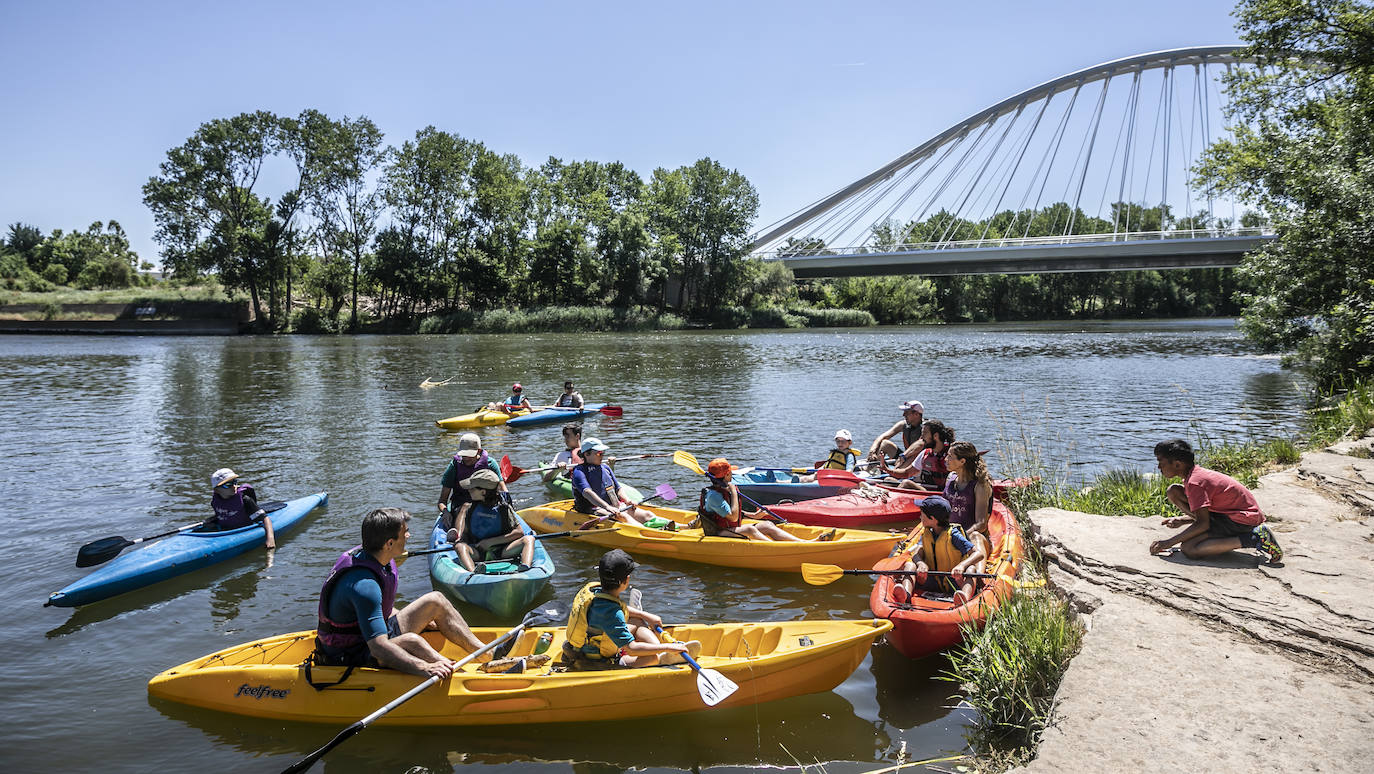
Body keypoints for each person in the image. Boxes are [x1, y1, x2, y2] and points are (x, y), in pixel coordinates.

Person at [313, 507, 489, 676]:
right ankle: (456, 674)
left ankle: (486, 654)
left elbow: (380, 611)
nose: (408, 535)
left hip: (368, 636)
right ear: (389, 543)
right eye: (405, 532)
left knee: (435, 601)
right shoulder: (364, 586)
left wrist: (425, 619)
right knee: (412, 641)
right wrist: (424, 667)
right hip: (350, 653)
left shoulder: (375, 554)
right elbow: (378, 647)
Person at [559, 549, 701, 670]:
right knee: (651, 658)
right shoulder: (612, 614)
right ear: (626, 580)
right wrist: (668, 647)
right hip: (597, 661)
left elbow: (616, 609)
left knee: (637, 621)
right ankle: (661, 655)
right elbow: (631, 649)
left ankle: (660, 650)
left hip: (582, 646)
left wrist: (646, 615)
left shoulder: (594, 592)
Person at [1149, 438, 1283, 563]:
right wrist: (1183, 520)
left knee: (1189, 549)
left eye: (1161, 462)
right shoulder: (1194, 475)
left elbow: (1203, 524)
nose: (1159, 467)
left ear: (1177, 464)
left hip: (1241, 520)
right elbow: (1206, 512)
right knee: (1174, 491)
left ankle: (1254, 538)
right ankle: (1247, 536)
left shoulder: (1196, 482)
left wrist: (1168, 543)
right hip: (1229, 515)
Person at [699, 457, 833, 542]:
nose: (732, 475)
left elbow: (730, 512)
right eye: (731, 473)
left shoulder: (724, 489)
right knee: (750, 530)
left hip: (730, 528)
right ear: (727, 474)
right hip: (718, 532)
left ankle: (805, 543)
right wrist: (734, 493)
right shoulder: (714, 496)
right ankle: (777, 550)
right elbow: (733, 518)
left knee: (767, 525)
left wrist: (754, 515)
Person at [892, 495, 986, 605]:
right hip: (931, 580)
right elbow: (916, 554)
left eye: (922, 515)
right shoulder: (927, 533)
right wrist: (921, 563)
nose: (920, 517)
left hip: (954, 582)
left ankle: (963, 598)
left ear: (933, 519)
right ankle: (906, 594)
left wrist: (962, 566)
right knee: (910, 565)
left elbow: (978, 554)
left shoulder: (954, 535)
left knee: (971, 570)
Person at [443, 469, 535, 572]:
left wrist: (490, 542)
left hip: (503, 550)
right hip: (478, 551)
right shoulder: (470, 508)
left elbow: (519, 532)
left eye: (472, 488)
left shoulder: (504, 509)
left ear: (483, 492)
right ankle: (474, 572)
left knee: (529, 539)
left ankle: (525, 567)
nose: (468, 490)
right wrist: (460, 540)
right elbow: (465, 534)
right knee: (460, 547)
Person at [571, 437, 652, 526]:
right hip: (593, 509)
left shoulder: (605, 467)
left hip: (613, 506)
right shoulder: (579, 471)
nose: (602, 456)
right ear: (587, 454)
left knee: (647, 515)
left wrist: (627, 500)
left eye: (603, 453)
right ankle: (650, 533)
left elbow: (618, 489)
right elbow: (587, 492)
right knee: (623, 516)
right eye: (599, 453)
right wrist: (607, 507)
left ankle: (666, 527)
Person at [942, 441, 995, 559]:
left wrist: (960, 536)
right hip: (949, 534)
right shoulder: (950, 478)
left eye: (950, 456)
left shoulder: (980, 485)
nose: (946, 459)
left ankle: (976, 573)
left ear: (962, 461)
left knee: (975, 535)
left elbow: (981, 524)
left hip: (971, 538)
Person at [438, 433, 507, 522]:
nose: (466, 458)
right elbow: (442, 501)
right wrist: (446, 512)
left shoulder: (490, 464)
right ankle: (459, 534)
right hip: (461, 504)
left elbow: (504, 491)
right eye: (463, 455)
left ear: (479, 451)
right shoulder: (454, 466)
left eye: (469, 455)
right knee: (464, 508)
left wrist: (506, 509)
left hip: (486, 503)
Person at [208, 468, 275, 549]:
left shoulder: (245, 500)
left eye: (234, 482)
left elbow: (265, 518)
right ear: (217, 490)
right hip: (226, 530)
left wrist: (270, 538)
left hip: (244, 528)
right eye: (228, 485)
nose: (233, 486)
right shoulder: (215, 501)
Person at [880, 420, 954, 489]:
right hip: (924, 489)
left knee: (906, 483)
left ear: (935, 436)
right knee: (888, 480)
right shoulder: (925, 453)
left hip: (939, 493)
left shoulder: (951, 455)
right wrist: (887, 470)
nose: (922, 437)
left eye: (925, 433)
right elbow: (907, 473)